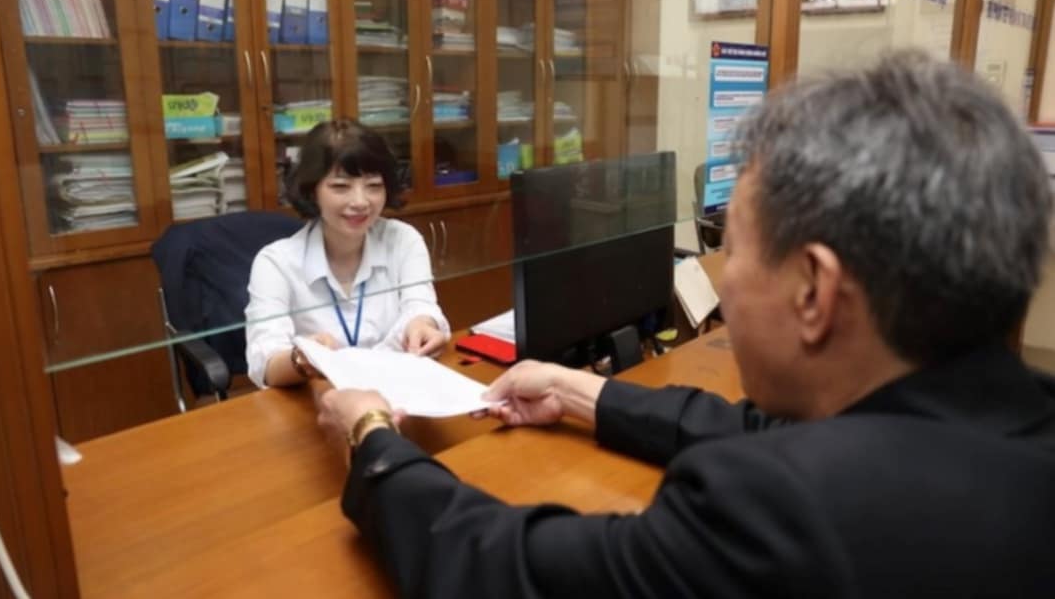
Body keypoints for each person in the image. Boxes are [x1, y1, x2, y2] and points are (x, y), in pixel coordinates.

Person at [316, 51, 1055, 597]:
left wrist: (371, 439)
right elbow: (769, 435)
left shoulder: (786, 512)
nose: (721, 276)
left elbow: (505, 570)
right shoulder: (1010, 415)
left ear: (814, 291)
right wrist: (580, 393)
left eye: (731, 244)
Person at [245, 119, 450, 388]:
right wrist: (302, 359)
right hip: (319, 399)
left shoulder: (403, 240)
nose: (360, 202)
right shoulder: (275, 263)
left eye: (374, 185)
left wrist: (422, 325)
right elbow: (266, 364)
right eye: (341, 186)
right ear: (312, 190)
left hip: (397, 391)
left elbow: (420, 304)